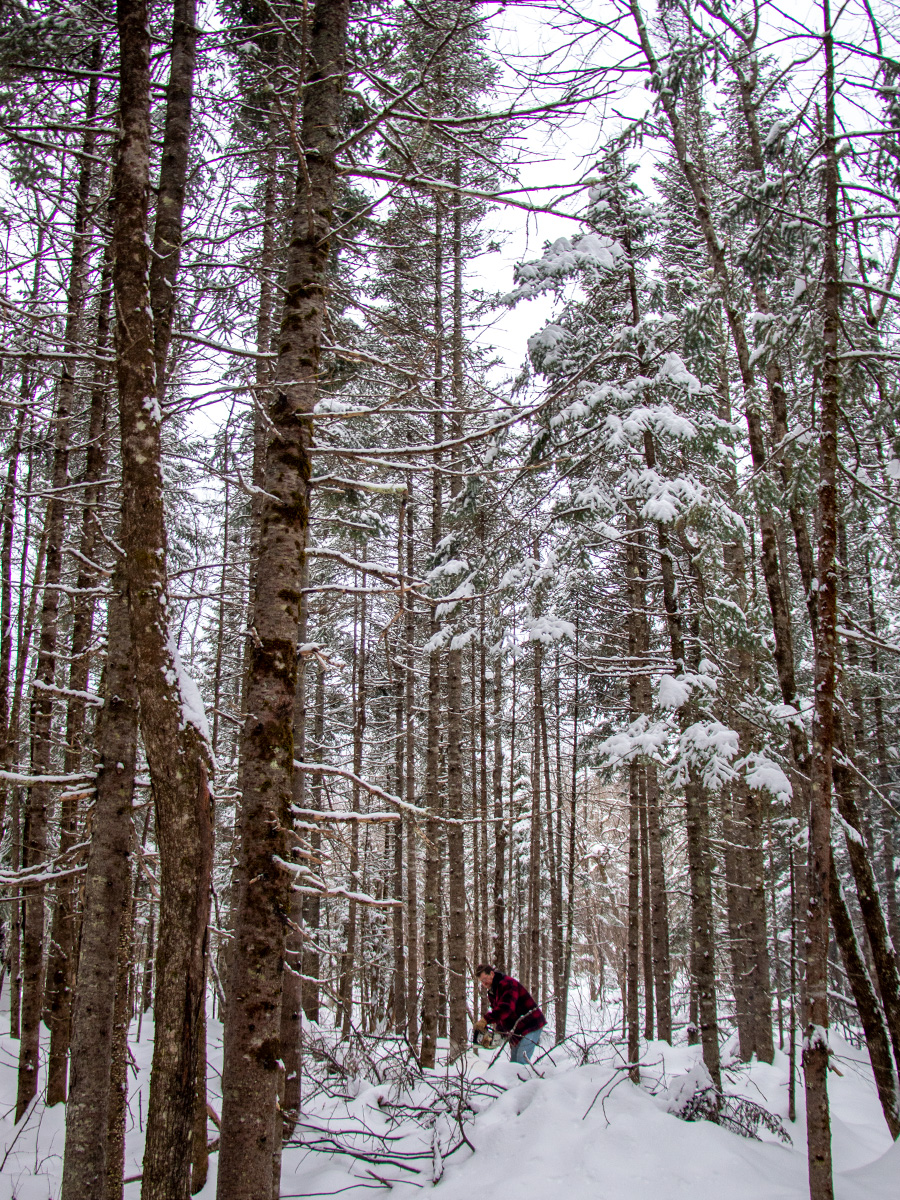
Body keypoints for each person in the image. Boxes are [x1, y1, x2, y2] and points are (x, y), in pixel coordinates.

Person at [473, 963, 546, 1064]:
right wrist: (498, 1034)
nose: (484, 983)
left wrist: (486, 1020)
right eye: (481, 981)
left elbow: (506, 1009)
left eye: (485, 979)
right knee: (514, 1064)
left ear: (492, 974)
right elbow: (501, 1016)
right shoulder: (492, 992)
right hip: (517, 1030)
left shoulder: (507, 984)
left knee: (521, 1063)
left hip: (530, 1024)